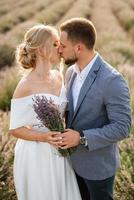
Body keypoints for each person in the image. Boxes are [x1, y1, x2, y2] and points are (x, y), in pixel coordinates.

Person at [58, 18, 131, 200]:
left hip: (97, 168)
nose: (59, 50)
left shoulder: (112, 80)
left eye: (63, 45)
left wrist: (81, 137)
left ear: (79, 48)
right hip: (71, 163)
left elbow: (122, 127)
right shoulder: (70, 72)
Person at [9, 24, 82, 200]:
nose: (61, 48)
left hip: (59, 151)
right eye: (56, 43)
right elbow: (14, 129)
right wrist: (44, 137)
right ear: (42, 50)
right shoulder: (24, 86)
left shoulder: (59, 76)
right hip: (35, 155)